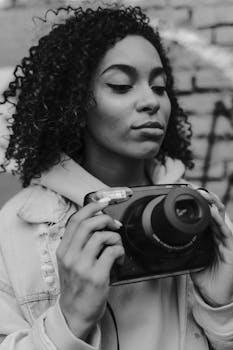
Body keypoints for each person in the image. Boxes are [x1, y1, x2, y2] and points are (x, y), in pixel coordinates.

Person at [0, 4, 233, 350]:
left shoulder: (195, 214)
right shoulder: (18, 228)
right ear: (75, 104)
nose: (151, 101)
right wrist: (71, 319)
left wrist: (220, 308)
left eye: (159, 86)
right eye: (122, 85)